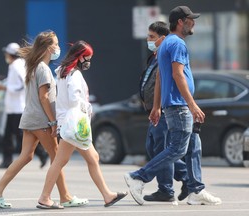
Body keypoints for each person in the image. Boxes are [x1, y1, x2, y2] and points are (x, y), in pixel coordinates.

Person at [124, 6, 222, 205]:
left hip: (175, 105)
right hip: (179, 106)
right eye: (190, 20)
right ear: (180, 22)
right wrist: (192, 105)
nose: (193, 23)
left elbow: (160, 76)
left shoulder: (166, 43)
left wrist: (156, 106)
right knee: (177, 149)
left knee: (194, 147)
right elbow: (177, 75)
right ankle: (139, 176)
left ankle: (196, 190)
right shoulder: (177, 43)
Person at [0, 31, 88, 209]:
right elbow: (44, 97)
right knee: (57, 158)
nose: (58, 47)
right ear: (49, 48)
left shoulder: (33, 66)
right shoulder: (43, 69)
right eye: (56, 44)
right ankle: (59, 197)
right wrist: (53, 121)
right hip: (41, 121)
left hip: (29, 118)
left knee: (26, 156)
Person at [37, 40, 127, 209]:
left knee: (92, 158)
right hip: (74, 125)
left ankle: (107, 195)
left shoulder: (62, 73)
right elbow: (74, 100)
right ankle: (44, 197)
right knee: (60, 162)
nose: (88, 62)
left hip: (68, 124)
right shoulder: (74, 75)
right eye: (87, 58)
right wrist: (87, 107)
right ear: (79, 57)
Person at [138, 21, 189, 203]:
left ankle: (166, 189)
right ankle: (187, 178)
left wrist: (158, 106)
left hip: (164, 110)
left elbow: (164, 80)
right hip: (155, 109)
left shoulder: (166, 54)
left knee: (163, 148)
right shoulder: (155, 56)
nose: (148, 40)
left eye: (152, 37)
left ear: (163, 38)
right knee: (155, 148)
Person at [0, 42, 48, 169]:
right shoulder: (17, 65)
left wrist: (5, 87)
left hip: (17, 108)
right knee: (8, 136)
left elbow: (20, 84)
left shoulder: (16, 65)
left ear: (10, 54)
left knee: (21, 136)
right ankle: (7, 160)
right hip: (12, 108)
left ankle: (41, 153)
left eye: (6, 53)